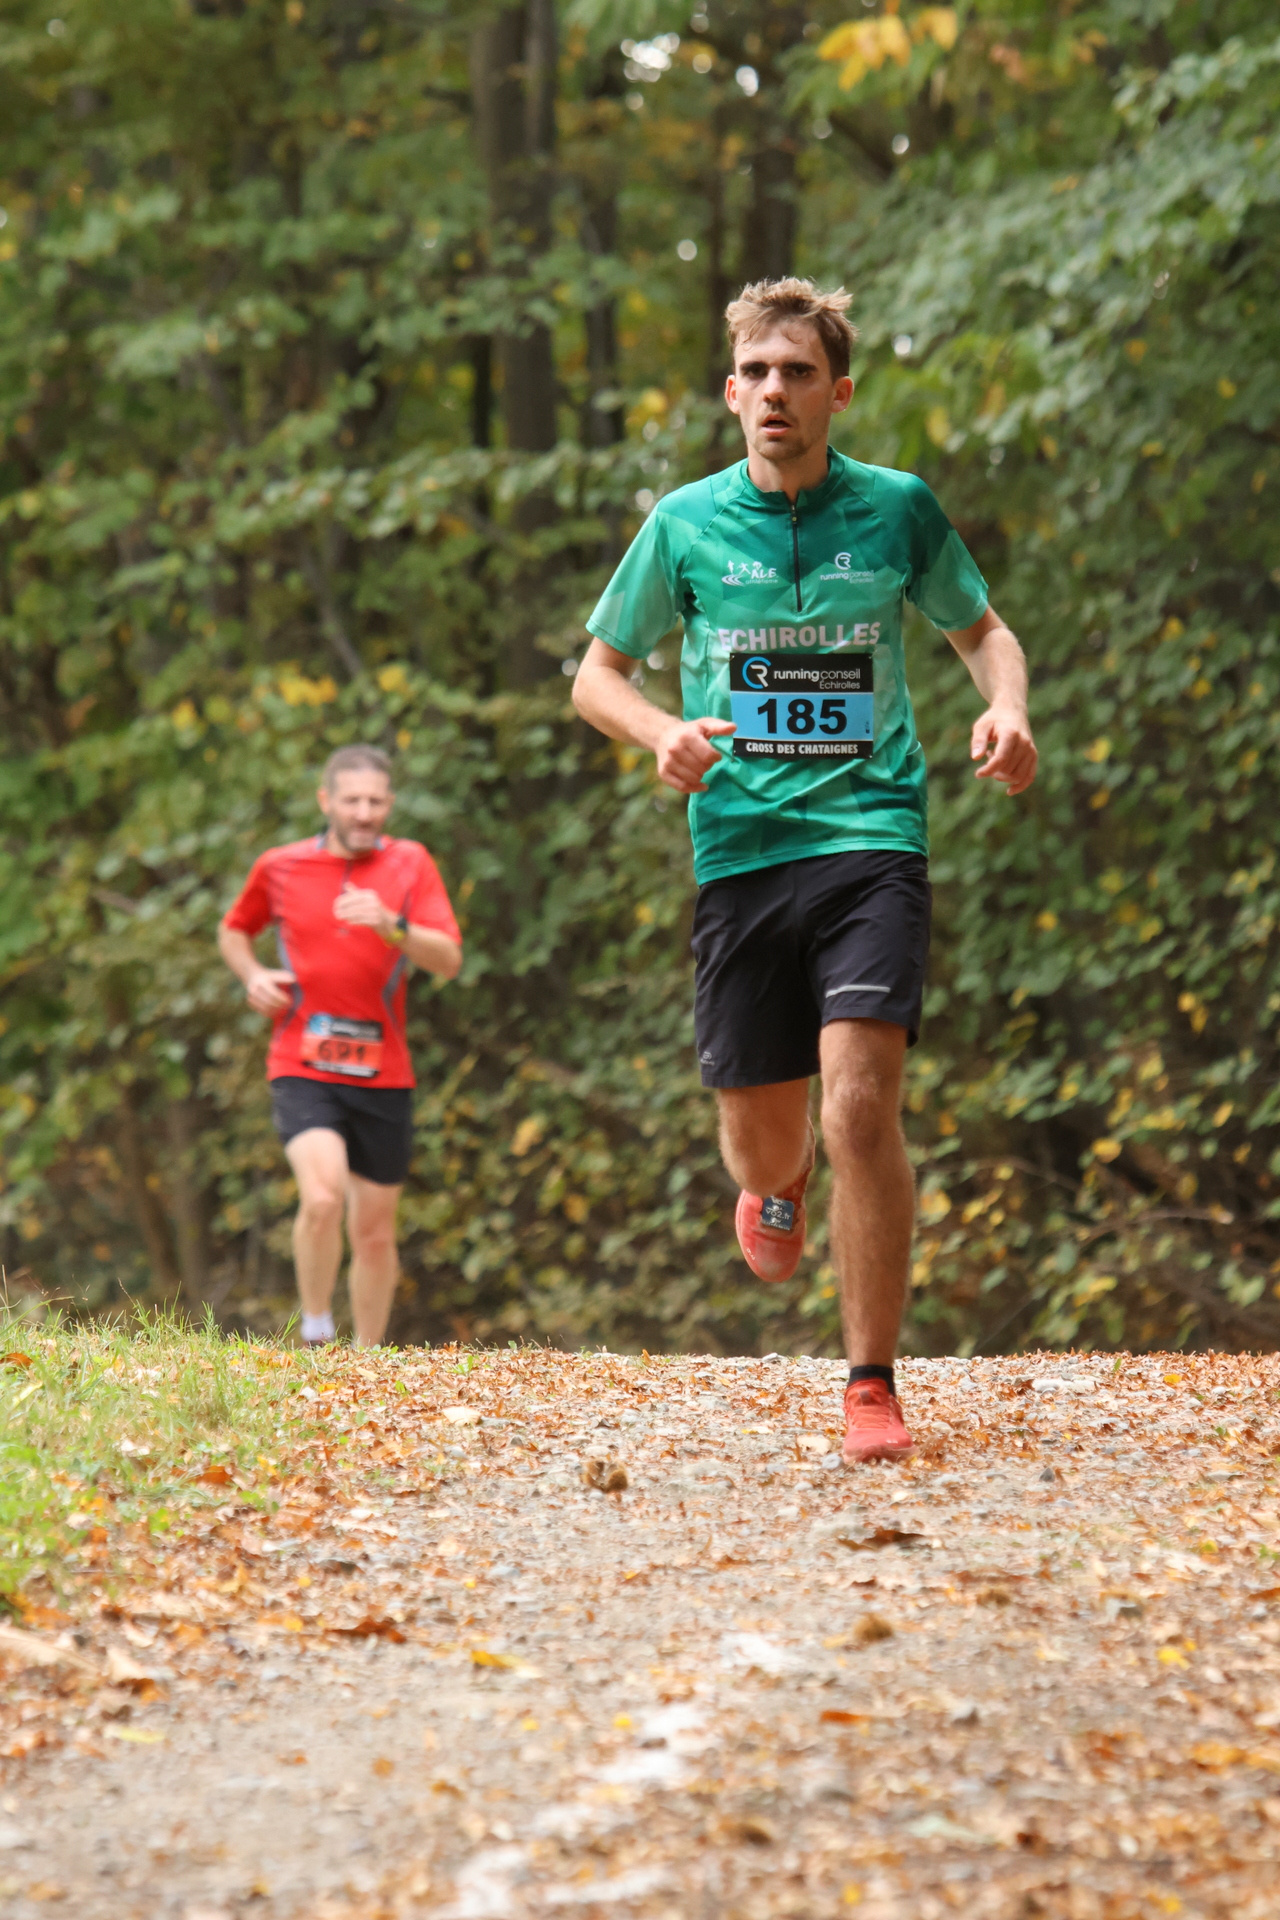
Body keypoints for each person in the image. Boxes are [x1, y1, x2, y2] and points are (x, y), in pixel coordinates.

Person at [573, 278, 1037, 1464]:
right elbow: (596, 676)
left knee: (860, 1106)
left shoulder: (894, 509)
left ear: (838, 392)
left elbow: (981, 632)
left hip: (870, 840)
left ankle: (869, 1382)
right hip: (738, 851)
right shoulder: (682, 524)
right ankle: (771, 1185)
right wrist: (659, 733)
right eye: (756, 374)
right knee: (762, 1144)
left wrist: (1007, 709)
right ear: (730, 394)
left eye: (797, 373)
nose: (774, 391)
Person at [218, 745, 462, 1346]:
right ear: (325, 801)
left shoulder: (410, 863)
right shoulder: (281, 866)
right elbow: (234, 929)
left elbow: (449, 960)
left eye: (376, 801)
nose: (363, 812)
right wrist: (252, 975)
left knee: (374, 1232)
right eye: (352, 800)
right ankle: (317, 1330)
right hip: (302, 1061)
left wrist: (391, 925)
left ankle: (367, 1361)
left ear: (390, 804)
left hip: (385, 1072)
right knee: (323, 1196)